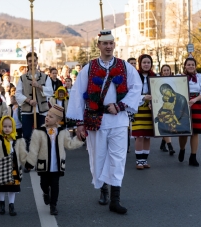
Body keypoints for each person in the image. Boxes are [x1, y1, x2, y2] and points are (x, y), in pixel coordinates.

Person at [66, 29, 142, 214]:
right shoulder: (89, 68)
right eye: (105, 43)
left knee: (118, 158)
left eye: (111, 43)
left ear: (114, 45)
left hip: (118, 119)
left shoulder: (125, 67)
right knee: (98, 156)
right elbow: (77, 94)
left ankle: (115, 199)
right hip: (95, 120)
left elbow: (136, 87)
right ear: (99, 45)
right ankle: (103, 189)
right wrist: (79, 123)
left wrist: (121, 105)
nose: (108, 46)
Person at [25, 104, 84, 215]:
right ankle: (46, 193)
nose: (47, 117)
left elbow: (69, 144)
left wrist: (80, 139)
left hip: (57, 166)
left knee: (55, 185)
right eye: (47, 115)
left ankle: (53, 205)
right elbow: (33, 150)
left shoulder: (62, 132)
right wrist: (30, 163)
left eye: (51, 117)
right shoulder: (39, 132)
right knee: (44, 184)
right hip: (44, 165)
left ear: (57, 121)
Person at [15, 52, 53, 153]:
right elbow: (18, 94)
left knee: (43, 134)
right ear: (27, 63)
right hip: (27, 111)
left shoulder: (45, 77)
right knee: (27, 135)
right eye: (30, 61)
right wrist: (29, 101)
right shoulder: (22, 78)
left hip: (42, 111)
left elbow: (50, 91)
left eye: (34, 61)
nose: (32, 63)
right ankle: (28, 158)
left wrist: (39, 86)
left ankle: (43, 158)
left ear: (37, 61)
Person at [178, 58, 201, 166]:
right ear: (185, 66)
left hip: (196, 104)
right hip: (183, 104)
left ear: (195, 66)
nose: (191, 66)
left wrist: (195, 100)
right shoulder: (180, 77)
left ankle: (193, 156)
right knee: (183, 132)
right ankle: (182, 149)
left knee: (195, 132)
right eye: (188, 64)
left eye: (192, 64)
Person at [131, 54, 156, 170]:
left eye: (148, 63)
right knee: (139, 135)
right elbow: (130, 93)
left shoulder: (155, 77)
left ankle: (145, 160)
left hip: (150, 109)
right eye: (144, 62)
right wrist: (143, 98)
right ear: (140, 64)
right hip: (138, 108)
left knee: (147, 136)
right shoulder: (134, 76)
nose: (146, 65)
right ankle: (139, 161)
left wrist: (153, 102)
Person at [158, 64, 176, 155]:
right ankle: (170, 146)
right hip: (162, 106)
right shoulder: (158, 81)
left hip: (171, 106)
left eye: (167, 70)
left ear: (170, 71)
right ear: (161, 72)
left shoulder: (174, 81)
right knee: (166, 125)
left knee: (169, 126)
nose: (166, 72)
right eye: (164, 70)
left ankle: (162, 144)